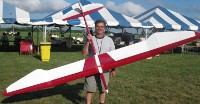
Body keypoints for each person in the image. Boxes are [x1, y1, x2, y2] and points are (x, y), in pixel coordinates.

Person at [82, 19, 117, 104]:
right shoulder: (90, 38)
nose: (99, 28)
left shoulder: (109, 40)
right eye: (98, 26)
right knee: (90, 89)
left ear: (104, 28)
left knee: (102, 89)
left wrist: (113, 69)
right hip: (91, 68)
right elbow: (84, 54)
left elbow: (114, 56)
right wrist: (88, 41)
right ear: (95, 27)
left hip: (105, 68)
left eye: (102, 26)